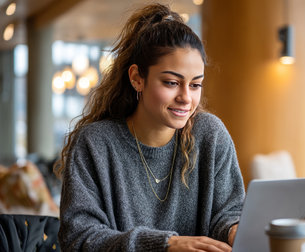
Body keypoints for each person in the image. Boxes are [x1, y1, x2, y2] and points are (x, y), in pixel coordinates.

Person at [55, 3, 245, 251]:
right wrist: (164, 245)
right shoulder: (95, 143)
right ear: (137, 78)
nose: (186, 97)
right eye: (171, 82)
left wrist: (235, 230)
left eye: (195, 85)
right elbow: (79, 238)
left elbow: (227, 213)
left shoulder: (211, 135)